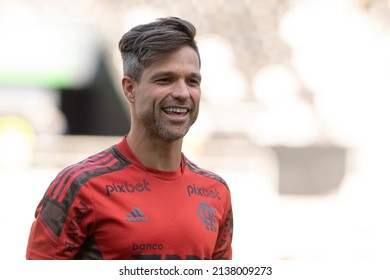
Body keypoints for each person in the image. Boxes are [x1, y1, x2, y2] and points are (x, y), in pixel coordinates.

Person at [26, 17, 233, 260]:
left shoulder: (216, 192)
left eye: (192, 81)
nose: (182, 93)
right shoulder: (80, 185)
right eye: (165, 79)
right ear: (129, 88)